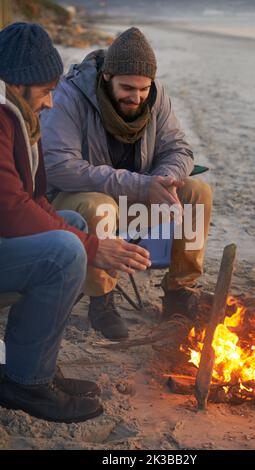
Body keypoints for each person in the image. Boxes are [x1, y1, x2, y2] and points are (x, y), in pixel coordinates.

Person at [0, 22, 150, 423]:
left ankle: (34, 367)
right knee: (66, 251)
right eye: (46, 90)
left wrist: (85, 239)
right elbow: (10, 208)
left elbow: (30, 200)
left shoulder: (15, 115)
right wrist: (92, 248)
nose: (50, 102)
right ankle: (26, 380)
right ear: (19, 83)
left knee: (67, 223)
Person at [41, 27, 213, 341]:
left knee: (197, 192)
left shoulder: (156, 97)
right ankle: (101, 300)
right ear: (106, 78)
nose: (136, 97)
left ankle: (178, 289)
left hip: (134, 202)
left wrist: (166, 180)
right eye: (127, 88)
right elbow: (59, 168)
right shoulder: (70, 95)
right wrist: (140, 185)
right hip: (71, 206)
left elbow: (179, 149)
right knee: (100, 204)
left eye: (143, 89)